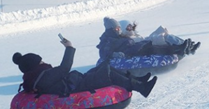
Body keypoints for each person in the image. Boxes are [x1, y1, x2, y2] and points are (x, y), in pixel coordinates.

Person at [13, 37, 157, 98]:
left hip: (75, 81)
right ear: (35, 65)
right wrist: (69, 48)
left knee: (104, 66)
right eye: (40, 61)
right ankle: (141, 87)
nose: (43, 62)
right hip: (76, 87)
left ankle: (138, 80)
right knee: (106, 72)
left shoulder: (38, 76)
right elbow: (64, 69)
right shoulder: (42, 77)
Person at [97, 17, 193, 61]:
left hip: (133, 48)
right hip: (130, 53)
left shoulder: (116, 36)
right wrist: (115, 54)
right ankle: (177, 49)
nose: (118, 30)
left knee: (152, 44)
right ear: (111, 29)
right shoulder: (108, 39)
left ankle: (178, 47)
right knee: (152, 49)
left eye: (119, 28)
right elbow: (103, 53)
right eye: (116, 29)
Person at [118, 19, 200, 54]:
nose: (131, 28)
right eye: (128, 27)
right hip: (146, 44)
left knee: (164, 32)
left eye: (131, 26)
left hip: (146, 41)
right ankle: (181, 46)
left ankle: (189, 46)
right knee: (162, 36)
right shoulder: (126, 39)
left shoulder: (134, 35)